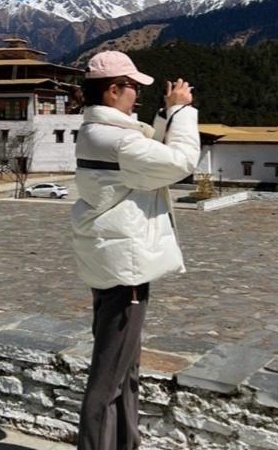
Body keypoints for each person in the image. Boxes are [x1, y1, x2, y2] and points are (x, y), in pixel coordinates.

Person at [71, 51, 200, 450]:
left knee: (125, 371)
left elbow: (149, 154)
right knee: (108, 377)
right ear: (113, 91)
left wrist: (168, 115)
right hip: (124, 269)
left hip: (115, 260)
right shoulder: (117, 139)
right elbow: (180, 161)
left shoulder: (102, 133)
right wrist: (182, 113)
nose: (137, 96)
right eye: (132, 88)